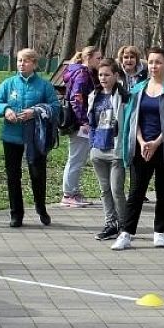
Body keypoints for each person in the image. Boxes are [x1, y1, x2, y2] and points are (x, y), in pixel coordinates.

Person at [112, 47, 164, 250]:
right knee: (136, 191)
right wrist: (143, 141)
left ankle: (159, 231)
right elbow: (131, 119)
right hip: (141, 147)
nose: (154, 66)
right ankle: (126, 233)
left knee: (163, 191)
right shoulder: (138, 89)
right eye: (151, 62)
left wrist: (156, 143)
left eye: (158, 62)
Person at [0, 48, 59, 228]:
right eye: (19, 60)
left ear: (35, 64)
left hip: (36, 137)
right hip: (11, 137)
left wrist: (35, 112)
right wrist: (5, 110)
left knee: (37, 175)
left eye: (26, 61)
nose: (22, 64)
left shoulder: (44, 86)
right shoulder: (8, 83)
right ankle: (16, 214)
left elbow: (55, 107)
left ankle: (40, 208)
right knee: (13, 176)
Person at [88, 58, 129, 241]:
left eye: (107, 74)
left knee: (116, 190)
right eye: (100, 74)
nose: (103, 78)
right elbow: (91, 122)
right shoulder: (94, 95)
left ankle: (124, 225)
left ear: (116, 76)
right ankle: (110, 224)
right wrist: (92, 143)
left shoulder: (124, 96)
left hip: (116, 150)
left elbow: (128, 123)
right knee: (104, 190)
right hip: (98, 148)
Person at [60, 45, 103, 208]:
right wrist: (84, 121)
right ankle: (68, 194)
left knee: (79, 157)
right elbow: (76, 99)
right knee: (76, 158)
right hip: (80, 124)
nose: (100, 61)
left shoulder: (84, 73)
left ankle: (74, 191)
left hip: (82, 122)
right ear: (88, 58)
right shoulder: (82, 74)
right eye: (98, 58)